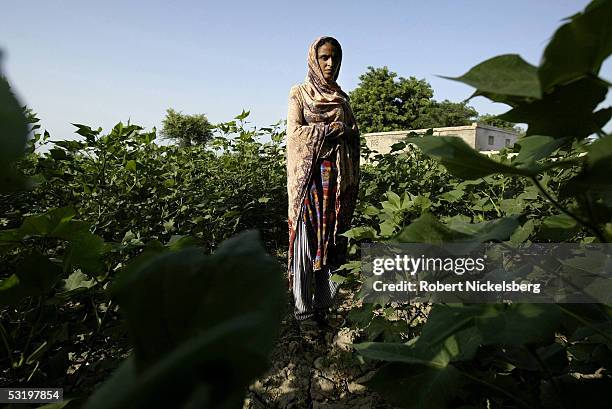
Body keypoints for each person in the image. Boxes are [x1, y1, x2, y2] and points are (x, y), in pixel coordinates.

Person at [286, 36, 360, 328]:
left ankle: (324, 305)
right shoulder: (299, 93)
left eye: (335, 59)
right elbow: (294, 134)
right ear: (313, 60)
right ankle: (304, 312)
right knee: (306, 243)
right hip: (308, 182)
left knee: (332, 242)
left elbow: (354, 133)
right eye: (324, 58)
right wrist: (330, 130)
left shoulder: (343, 99)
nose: (330, 64)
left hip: (336, 181)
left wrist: (346, 131)